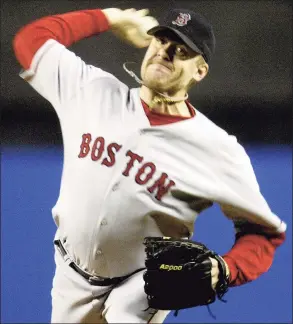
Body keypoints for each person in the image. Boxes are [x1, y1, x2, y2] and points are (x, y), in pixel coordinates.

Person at [13, 6, 286, 323]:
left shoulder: (216, 148)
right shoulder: (92, 92)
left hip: (144, 282)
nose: (166, 52)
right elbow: (31, 41)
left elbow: (264, 233)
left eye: (182, 50)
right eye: (161, 41)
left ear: (200, 71)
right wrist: (109, 18)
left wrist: (226, 269)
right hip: (69, 273)